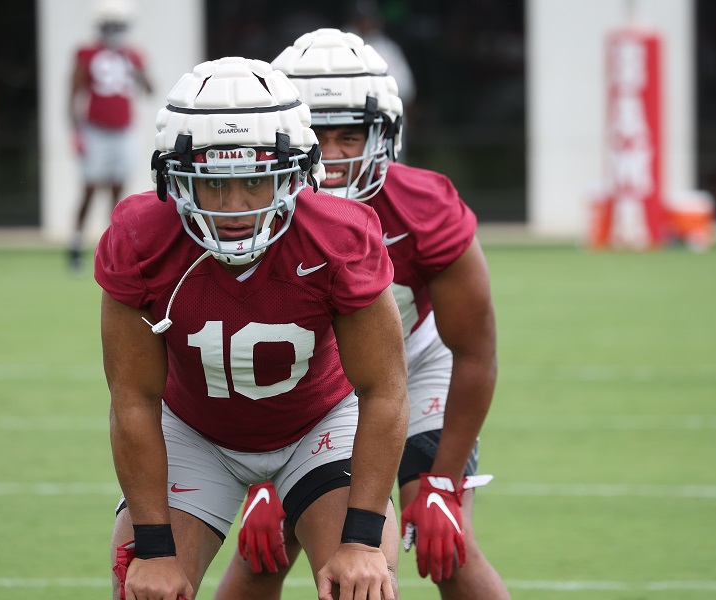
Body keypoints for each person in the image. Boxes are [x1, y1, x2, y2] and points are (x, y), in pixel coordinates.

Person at [95, 56, 409, 600]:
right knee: (142, 590)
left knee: (365, 587)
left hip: (317, 425)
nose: (234, 207)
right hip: (195, 430)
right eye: (214, 184)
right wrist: (154, 548)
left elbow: (384, 389)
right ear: (173, 178)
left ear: (295, 174)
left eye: (255, 182)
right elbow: (133, 400)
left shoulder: (338, 236)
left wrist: (361, 542)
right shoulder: (139, 238)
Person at [214, 29, 510, 600]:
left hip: (415, 366)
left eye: (350, 134)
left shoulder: (424, 209)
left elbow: (474, 352)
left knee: (445, 540)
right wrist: (262, 478)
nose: (331, 157)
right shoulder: (241, 220)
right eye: (315, 135)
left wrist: (443, 484)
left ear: (386, 135)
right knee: (264, 549)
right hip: (303, 383)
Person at [68, 0, 153, 272]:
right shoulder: (87, 53)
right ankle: (75, 246)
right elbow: (74, 92)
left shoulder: (132, 54)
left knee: (118, 193)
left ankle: (112, 249)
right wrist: (76, 132)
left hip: (124, 129)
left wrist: (134, 64)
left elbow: (149, 88)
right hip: (96, 129)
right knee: (90, 188)